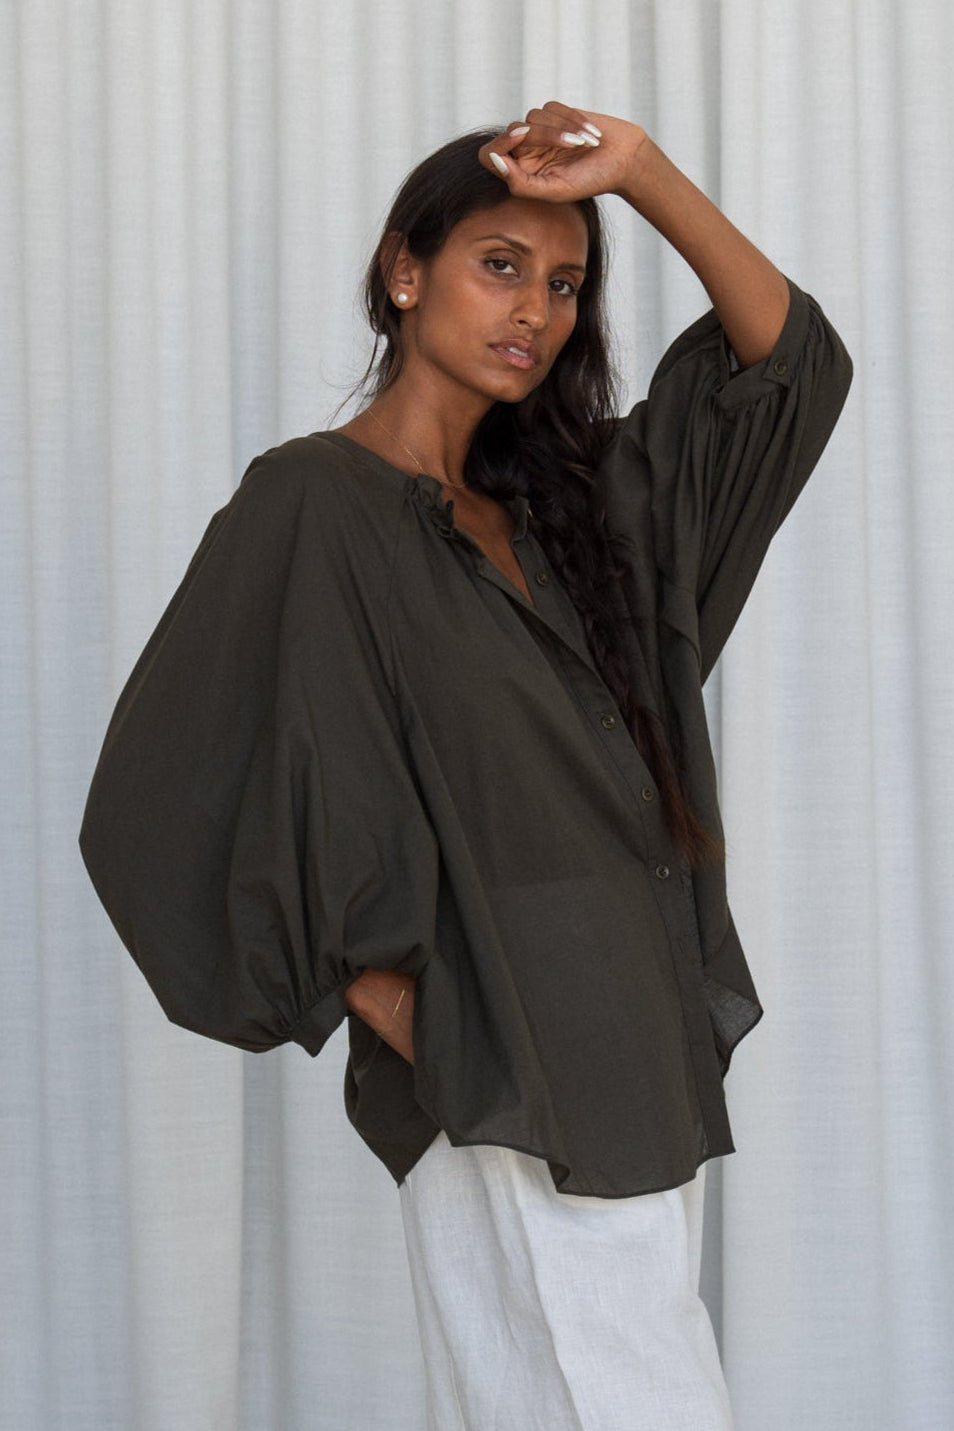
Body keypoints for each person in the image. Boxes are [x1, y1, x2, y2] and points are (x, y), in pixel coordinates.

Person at [80, 102, 852, 1430]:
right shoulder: (313, 506)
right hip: (506, 1060)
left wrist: (646, 174)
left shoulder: (579, 506)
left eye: (563, 285)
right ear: (404, 271)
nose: (536, 313)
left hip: (638, 1038)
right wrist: (392, 998)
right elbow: (158, 799)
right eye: (499, 264)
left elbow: (786, 374)